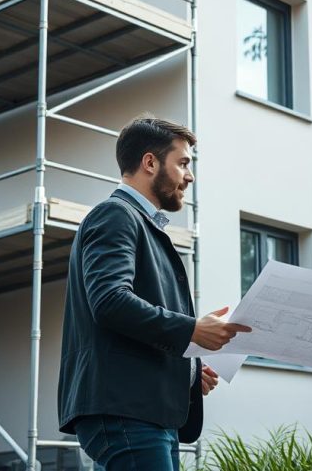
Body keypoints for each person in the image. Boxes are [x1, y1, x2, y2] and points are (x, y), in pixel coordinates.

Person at [58, 116, 251, 470]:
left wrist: (190, 372)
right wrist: (193, 330)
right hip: (127, 413)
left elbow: (133, 323)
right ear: (150, 162)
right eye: (182, 163)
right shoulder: (115, 215)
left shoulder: (136, 222)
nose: (189, 176)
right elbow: (111, 302)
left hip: (143, 413)